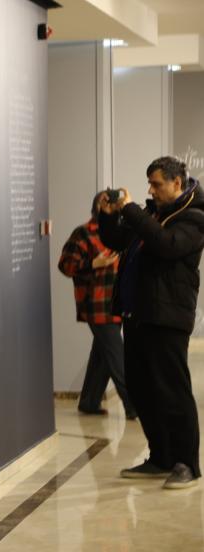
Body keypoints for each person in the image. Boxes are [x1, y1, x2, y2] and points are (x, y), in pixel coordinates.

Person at [98, 156, 204, 490]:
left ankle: (187, 464)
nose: (151, 190)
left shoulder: (195, 217)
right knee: (141, 388)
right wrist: (107, 215)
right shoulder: (154, 214)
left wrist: (131, 210)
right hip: (139, 314)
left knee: (172, 391)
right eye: (149, 184)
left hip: (168, 318)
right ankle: (161, 457)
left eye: (156, 184)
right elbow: (117, 241)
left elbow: (166, 245)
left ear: (177, 183)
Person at [57, 191, 136, 419]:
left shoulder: (120, 232)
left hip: (117, 304)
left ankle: (89, 402)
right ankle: (134, 406)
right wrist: (93, 263)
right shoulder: (83, 233)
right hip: (97, 306)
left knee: (102, 355)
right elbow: (65, 266)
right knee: (118, 357)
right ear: (101, 206)